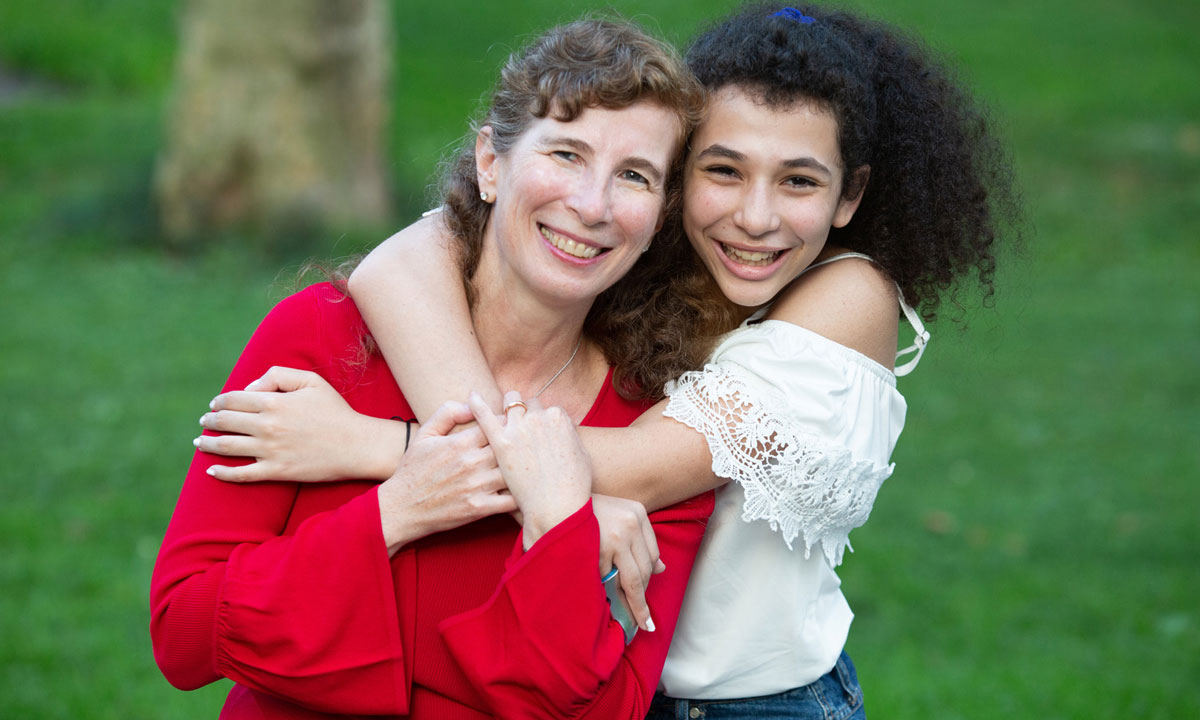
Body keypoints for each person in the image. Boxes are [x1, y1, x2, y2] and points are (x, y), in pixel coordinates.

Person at [196, 3, 1021, 717]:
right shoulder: (651, 264)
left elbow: (638, 467)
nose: (756, 216)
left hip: (750, 705)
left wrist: (383, 448)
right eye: (722, 171)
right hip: (616, 674)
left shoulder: (850, 300)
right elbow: (402, 260)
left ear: (849, 196)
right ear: (677, 186)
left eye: (799, 182)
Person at [150, 18, 719, 719]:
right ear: (490, 163)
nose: (592, 205)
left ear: (659, 219)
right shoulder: (319, 340)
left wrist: (558, 523)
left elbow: (609, 709)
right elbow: (184, 633)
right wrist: (398, 510)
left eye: (633, 176)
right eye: (567, 154)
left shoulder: (657, 432)